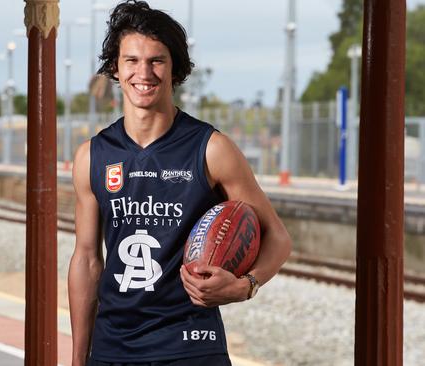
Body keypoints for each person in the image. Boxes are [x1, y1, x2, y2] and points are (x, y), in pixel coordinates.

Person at [68, 1, 292, 365]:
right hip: (114, 348)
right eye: (132, 60)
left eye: (157, 60)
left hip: (190, 345)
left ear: (175, 69)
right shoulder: (91, 156)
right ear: (115, 68)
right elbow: (88, 259)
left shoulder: (211, 149)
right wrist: (79, 358)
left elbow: (278, 237)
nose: (144, 72)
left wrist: (243, 286)